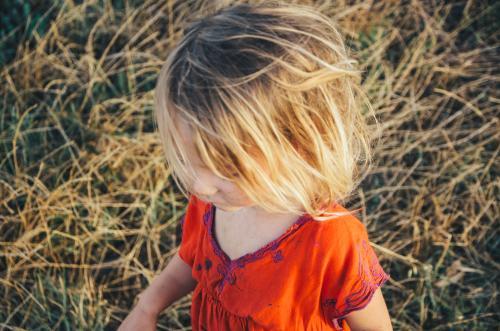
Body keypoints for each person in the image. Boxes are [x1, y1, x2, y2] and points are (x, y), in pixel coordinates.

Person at [119, 1, 392, 330]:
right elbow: (192, 258)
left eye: (229, 169)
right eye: (192, 162)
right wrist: (147, 307)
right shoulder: (213, 202)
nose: (200, 186)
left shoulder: (331, 240)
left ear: (298, 144)